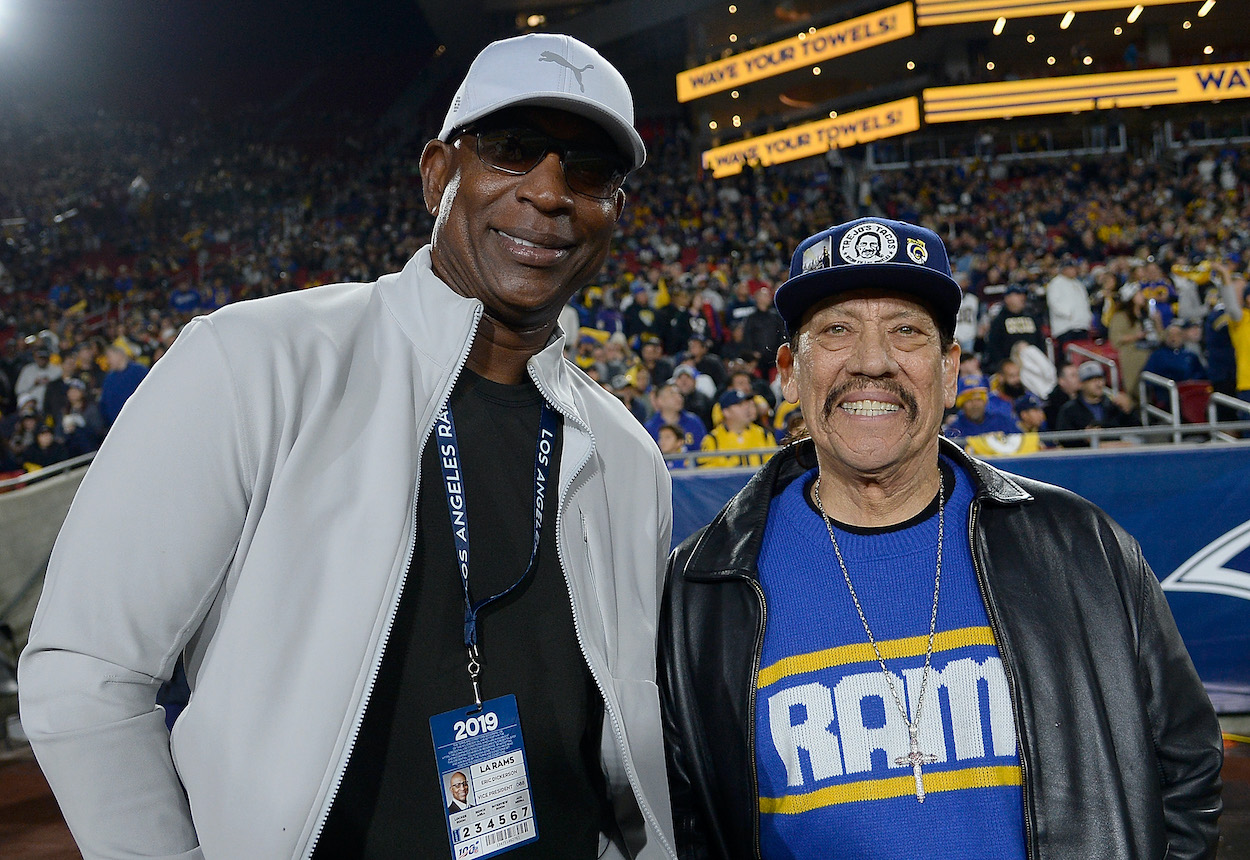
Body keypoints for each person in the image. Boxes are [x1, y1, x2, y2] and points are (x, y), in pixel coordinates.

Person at [21, 33, 677, 860]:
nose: (548, 192)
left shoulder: (624, 454)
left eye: (588, 171)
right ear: (439, 173)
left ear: (614, 212)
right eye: (512, 152)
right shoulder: (256, 361)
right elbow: (86, 672)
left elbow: (622, 738)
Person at [659, 216, 1222, 859]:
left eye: (906, 331)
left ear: (950, 369)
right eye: (837, 330)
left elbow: (1186, 766)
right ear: (790, 370)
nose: (872, 362)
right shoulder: (705, 587)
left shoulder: (1079, 545)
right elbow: (692, 824)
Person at [1054, 360, 1140, 446]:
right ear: (1081, 384)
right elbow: (1063, 439)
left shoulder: (1114, 405)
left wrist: (1129, 410)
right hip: (1085, 457)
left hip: (1115, 454)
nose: (1098, 384)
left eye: (1100, 378)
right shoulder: (1069, 410)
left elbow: (1138, 429)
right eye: (1092, 380)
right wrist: (1083, 438)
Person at [698, 389, 772, 468]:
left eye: (747, 404)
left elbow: (775, 468)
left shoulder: (764, 435)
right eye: (740, 405)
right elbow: (706, 475)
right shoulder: (712, 440)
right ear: (726, 412)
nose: (746, 407)